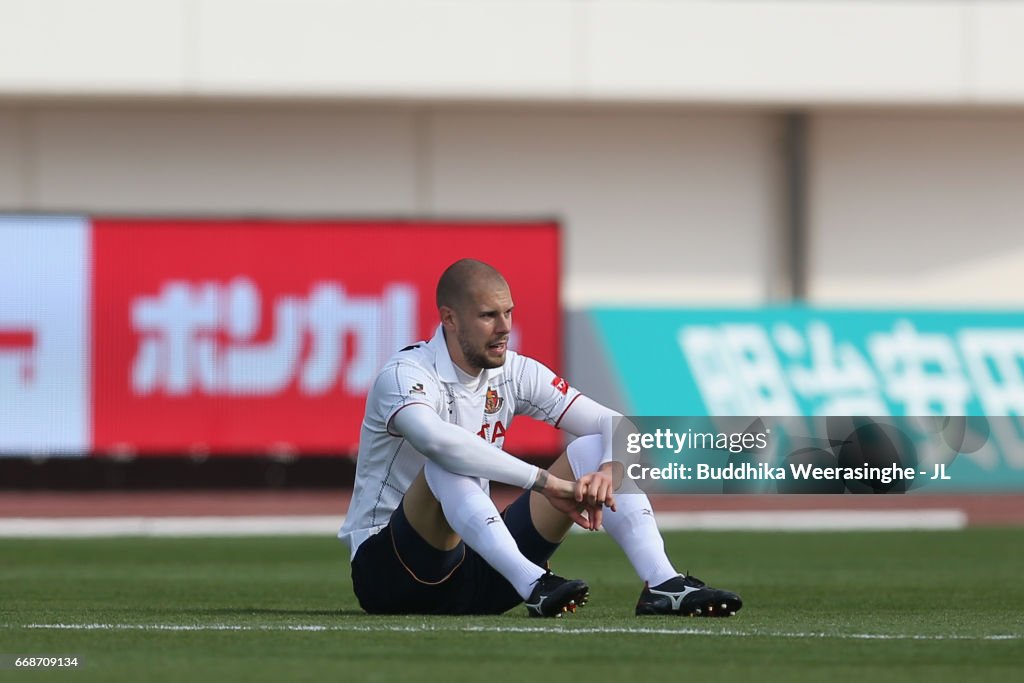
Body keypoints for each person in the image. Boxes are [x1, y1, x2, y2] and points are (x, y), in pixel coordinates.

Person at [339, 258, 742, 617]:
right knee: (449, 458)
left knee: (592, 448)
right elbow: (440, 444)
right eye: (488, 316)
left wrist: (608, 472)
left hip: (481, 568)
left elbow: (621, 425)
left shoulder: (515, 371)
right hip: (392, 572)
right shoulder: (405, 375)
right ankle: (533, 583)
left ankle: (662, 583)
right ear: (449, 319)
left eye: (508, 312)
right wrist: (546, 483)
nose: (504, 328)